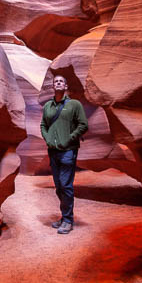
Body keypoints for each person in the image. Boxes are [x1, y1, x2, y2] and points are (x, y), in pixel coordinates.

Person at [40, 74, 88, 234]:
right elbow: (43, 125)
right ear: (53, 86)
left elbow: (83, 125)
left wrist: (69, 139)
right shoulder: (48, 106)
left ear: (65, 86)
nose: (58, 83)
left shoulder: (74, 104)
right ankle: (64, 216)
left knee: (65, 185)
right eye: (56, 81)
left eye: (61, 81)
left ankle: (68, 220)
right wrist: (47, 139)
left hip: (68, 151)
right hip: (53, 152)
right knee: (59, 187)